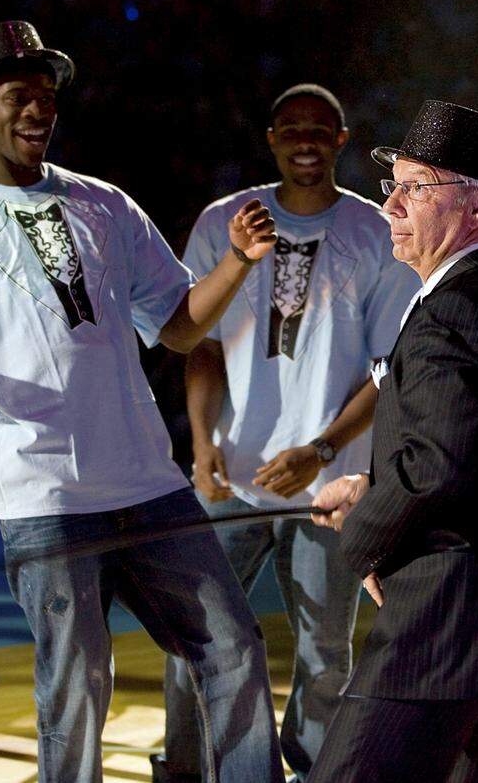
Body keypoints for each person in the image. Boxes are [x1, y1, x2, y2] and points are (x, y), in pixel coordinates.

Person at [0, 21, 284, 783]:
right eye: (19, 95)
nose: (39, 110)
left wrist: (236, 263)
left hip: (148, 483)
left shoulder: (105, 204)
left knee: (233, 647)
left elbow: (181, 327)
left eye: (48, 96)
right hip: (42, 494)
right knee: (76, 689)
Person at [306, 100, 478, 783]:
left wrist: (365, 538)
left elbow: (436, 467)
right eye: (391, 185)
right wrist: (376, 488)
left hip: (442, 626)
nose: (392, 203)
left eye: (416, 187)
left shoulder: (452, 312)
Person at [155, 84, 413, 783]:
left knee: (325, 648)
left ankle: (314, 769)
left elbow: (389, 369)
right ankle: (187, 767)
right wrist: (203, 440)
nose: (305, 139)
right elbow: (198, 340)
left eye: (319, 129)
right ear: (271, 138)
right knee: (193, 631)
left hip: (326, 481)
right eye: (291, 128)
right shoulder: (223, 222)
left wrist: (323, 448)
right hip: (230, 473)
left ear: (342, 139)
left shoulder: (375, 233)